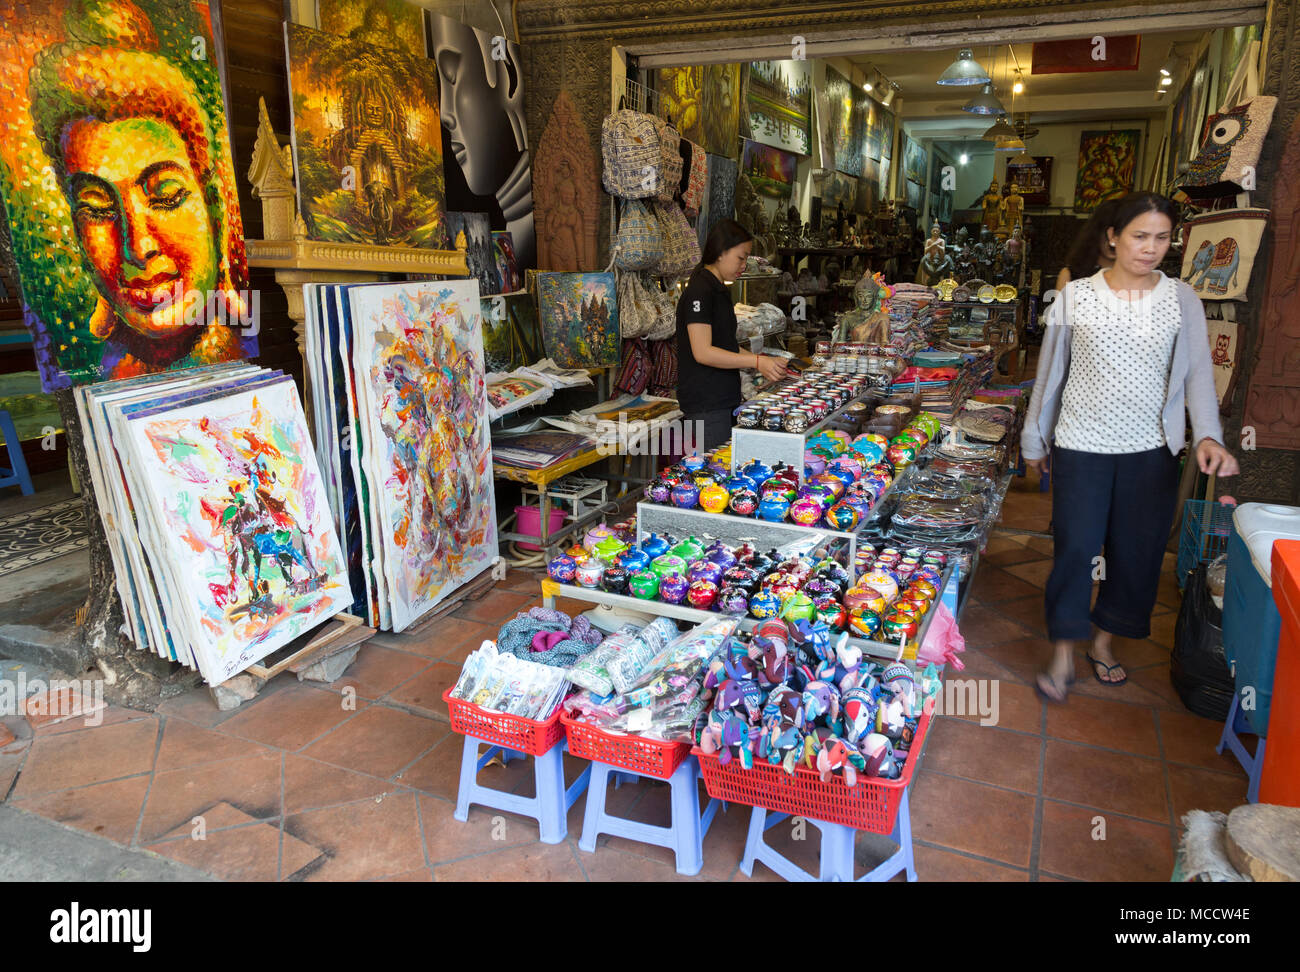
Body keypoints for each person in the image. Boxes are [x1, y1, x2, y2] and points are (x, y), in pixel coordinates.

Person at [1022, 192, 1239, 701]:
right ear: (1113, 237)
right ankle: (1062, 651)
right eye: (1140, 236)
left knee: (1136, 553)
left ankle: (1103, 640)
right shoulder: (1076, 295)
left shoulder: (1182, 298)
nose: (1151, 248)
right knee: (1075, 549)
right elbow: (1051, 372)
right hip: (1081, 443)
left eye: (1162, 238)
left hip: (1150, 450)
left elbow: (1199, 375)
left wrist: (1208, 435)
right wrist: (1035, 438)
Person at [29, 6, 250, 380]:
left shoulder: (248, 362)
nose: (138, 245)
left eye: (165, 197)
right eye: (97, 209)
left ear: (216, 207)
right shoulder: (97, 376)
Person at [677, 219, 787, 450]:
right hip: (706, 403)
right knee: (713, 473)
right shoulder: (700, 291)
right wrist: (757, 361)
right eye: (741, 257)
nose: (744, 265)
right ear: (720, 252)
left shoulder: (719, 289)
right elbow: (703, 352)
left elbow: (725, 345)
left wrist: (763, 365)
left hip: (723, 399)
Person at [1054, 197, 1121, 293]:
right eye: (1108, 233)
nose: (1112, 241)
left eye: (1119, 233)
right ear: (1096, 233)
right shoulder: (1071, 275)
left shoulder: (1136, 277)